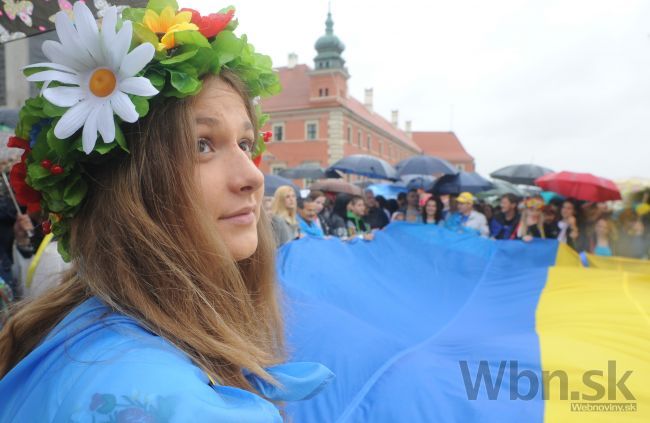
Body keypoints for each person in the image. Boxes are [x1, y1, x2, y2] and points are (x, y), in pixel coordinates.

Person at [0, 3, 332, 422]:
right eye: (202, 145)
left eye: (246, 144)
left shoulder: (75, 329)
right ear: (128, 189)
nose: (252, 176)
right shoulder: (173, 403)